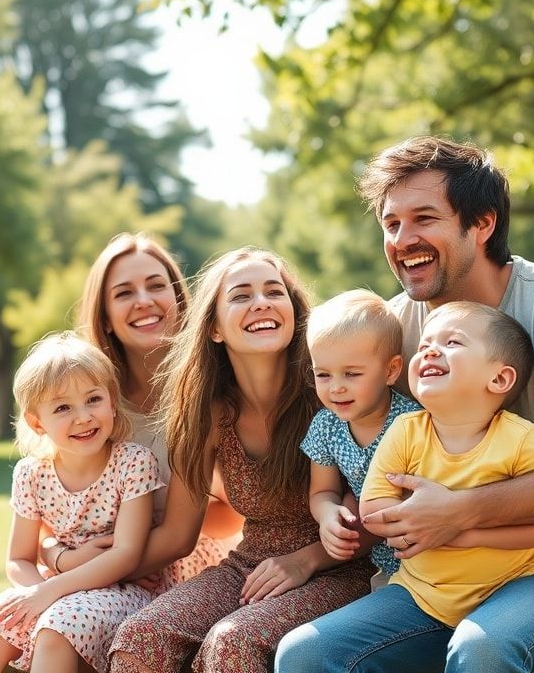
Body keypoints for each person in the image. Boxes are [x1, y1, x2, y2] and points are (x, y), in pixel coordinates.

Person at [276, 136, 534, 673]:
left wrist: (463, 511)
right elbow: (357, 442)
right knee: (308, 654)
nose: (403, 239)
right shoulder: (394, 329)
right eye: (391, 223)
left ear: (483, 223)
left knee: (484, 649)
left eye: (424, 218)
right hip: (435, 576)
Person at [108, 248, 372, 673]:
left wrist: (305, 560)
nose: (262, 302)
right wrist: (85, 574)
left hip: (342, 570)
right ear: (214, 327)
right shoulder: (208, 412)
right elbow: (177, 533)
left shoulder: (330, 388)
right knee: (141, 638)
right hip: (250, 567)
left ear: (293, 310)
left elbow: (379, 510)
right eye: (241, 295)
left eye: (274, 291)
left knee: (233, 642)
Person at [39, 233, 240, 589]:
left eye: (155, 286)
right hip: (87, 569)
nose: (144, 301)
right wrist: (60, 559)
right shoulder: (88, 403)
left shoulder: (209, 398)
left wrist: (136, 545)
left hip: (183, 568)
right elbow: (45, 516)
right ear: (104, 318)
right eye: (124, 293)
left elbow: (230, 517)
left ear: (178, 300)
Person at [0, 332, 163, 673]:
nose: (83, 417)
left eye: (93, 399)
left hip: (125, 591)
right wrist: (37, 593)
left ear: (112, 401)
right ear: (37, 422)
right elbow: (18, 559)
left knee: (55, 628)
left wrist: (50, 592)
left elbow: (126, 555)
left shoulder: (133, 462)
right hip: (55, 589)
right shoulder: (31, 473)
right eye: (63, 407)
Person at [356, 301, 534, 633]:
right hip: (420, 592)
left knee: (481, 646)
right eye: (424, 345)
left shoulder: (519, 440)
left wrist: (462, 532)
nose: (429, 352)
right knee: (305, 653)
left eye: (451, 342)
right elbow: (372, 508)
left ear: (499, 378)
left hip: (515, 586)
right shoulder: (405, 431)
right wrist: (419, 523)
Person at [299, 289, 419, 583]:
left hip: (428, 555)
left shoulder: (413, 422)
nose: (336, 387)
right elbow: (322, 491)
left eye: (351, 374)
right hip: (387, 569)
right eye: (323, 375)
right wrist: (328, 514)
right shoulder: (326, 426)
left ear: (391, 371)